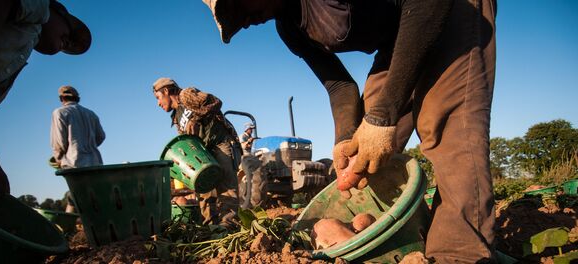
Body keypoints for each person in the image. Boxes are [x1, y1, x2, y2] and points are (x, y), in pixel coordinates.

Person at [202, 0, 497, 262]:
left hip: (450, 8)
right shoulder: (289, 29)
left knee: (444, 124)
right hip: (398, 36)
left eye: (236, 7)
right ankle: (393, 236)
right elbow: (339, 85)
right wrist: (345, 137)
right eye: (232, 21)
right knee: (363, 155)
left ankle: (460, 252)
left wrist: (382, 116)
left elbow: (428, 6)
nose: (243, 23)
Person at [0, 0, 91, 195]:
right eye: (70, 32)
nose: (70, 42)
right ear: (57, 12)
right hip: (89, 164)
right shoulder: (41, 8)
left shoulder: (15, 62)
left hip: (73, 164)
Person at [152, 77, 241, 226]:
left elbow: (216, 102)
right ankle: (210, 227)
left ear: (166, 91)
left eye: (158, 98)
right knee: (203, 189)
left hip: (221, 143)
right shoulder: (176, 118)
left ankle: (228, 226)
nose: (158, 103)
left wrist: (196, 118)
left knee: (226, 188)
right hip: (205, 153)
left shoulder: (186, 95)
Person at [50, 85, 105, 169]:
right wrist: (87, 146)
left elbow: (59, 143)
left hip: (74, 165)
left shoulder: (59, 112)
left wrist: (58, 159)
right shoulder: (91, 114)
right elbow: (101, 137)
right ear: (77, 98)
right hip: (95, 163)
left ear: (61, 98)